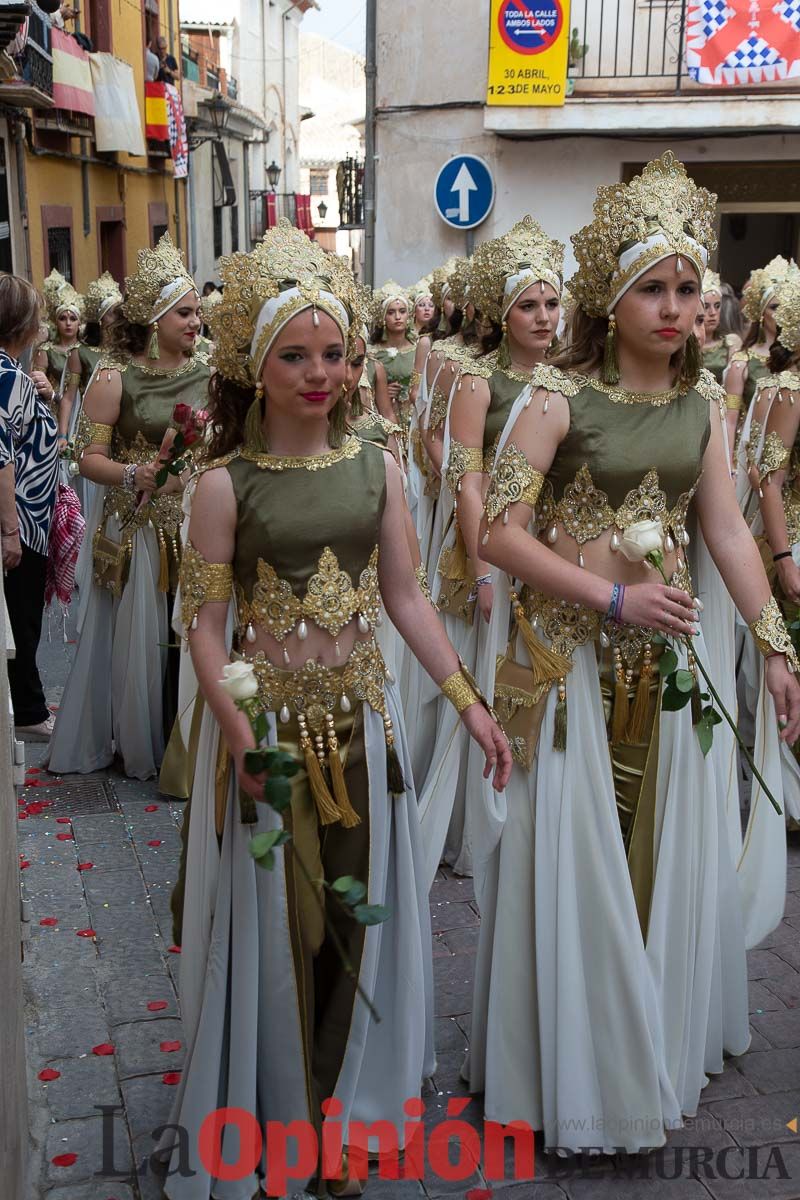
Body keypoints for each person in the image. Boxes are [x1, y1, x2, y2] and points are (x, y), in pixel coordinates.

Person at [156, 222, 511, 1199]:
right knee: (287, 929)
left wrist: (468, 703)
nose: (320, 372)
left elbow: (403, 599)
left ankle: (332, 1112)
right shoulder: (222, 486)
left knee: (351, 927)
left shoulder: (381, 471)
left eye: (333, 351)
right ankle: (286, 1117)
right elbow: (202, 623)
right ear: (254, 367)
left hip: (364, 726)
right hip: (269, 737)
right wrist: (236, 740)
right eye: (294, 354)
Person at [466, 152, 800, 1155]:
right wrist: (609, 592)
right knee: (584, 858)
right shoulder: (553, 400)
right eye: (650, 287)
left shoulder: (703, 407)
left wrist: (773, 649)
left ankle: (648, 1028)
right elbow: (497, 534)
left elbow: (728, 531)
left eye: (687, 288)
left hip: (667, 670)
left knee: (657, 856)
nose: (672, 307)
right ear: (607, 298)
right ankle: (579, 1066)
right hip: (568, 662)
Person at [418, 217, 563, 883]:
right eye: (527, 305)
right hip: (494, 554)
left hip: (554, 557)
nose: (542, 316)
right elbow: (467, 483)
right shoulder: (478, 382)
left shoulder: (571, 380)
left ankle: (541, 818)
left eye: (552, 302)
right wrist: (484, 570)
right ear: (503, 315)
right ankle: (476, 821)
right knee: (492, 682)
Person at [47, 235, 210, 781]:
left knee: (191, 633)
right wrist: (135, 473)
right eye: (185, 313)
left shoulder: (211, 374)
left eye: (197, 312)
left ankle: (190, 743)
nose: (195, 323)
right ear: (155, 317)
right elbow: (85, 457)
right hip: (138, 527)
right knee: (141, 639)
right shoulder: (115, 376)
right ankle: (147, 741)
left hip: (195, 524)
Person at [0, 275, 60, 739]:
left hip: (27, 517)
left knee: (21, 617)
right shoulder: (6, 377)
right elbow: (1, 457)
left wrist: (44, 395)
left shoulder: (13, 374)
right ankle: (30, 711)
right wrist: (9, 531)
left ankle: (27, 703)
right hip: (20, 520)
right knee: (22, 620)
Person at [725, 255, 798, 460]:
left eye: (787, 307)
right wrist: (729, 465)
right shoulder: (742, 362)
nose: (782, 313)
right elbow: (730, 419)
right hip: (750, 456)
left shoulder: (796, 361)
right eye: (774, 307)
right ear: (760, 313)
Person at [33, 270, 84, 446]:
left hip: (83, 416)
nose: (68, 323)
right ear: (56, 322)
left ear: (80, 323)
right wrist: (54, 396)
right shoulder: (45, 351)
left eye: (73, 318)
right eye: (63, 318)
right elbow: (37, 387)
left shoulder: (87, 352)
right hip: (53, 414)